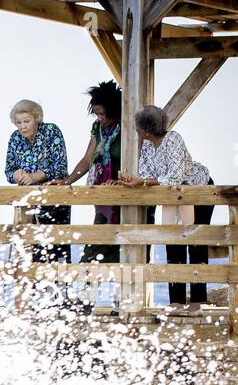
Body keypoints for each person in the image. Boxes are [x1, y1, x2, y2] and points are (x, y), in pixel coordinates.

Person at [117, 106, 214, 311]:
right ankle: (176, 302)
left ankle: (197, 303)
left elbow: (175, 176)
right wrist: (134, 180)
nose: (136, 130)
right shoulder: (148, 145)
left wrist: (143, 182)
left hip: (197, 191)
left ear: (145, 130)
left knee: (196, 245)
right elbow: (145, 174)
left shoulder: (173, 139)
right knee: (173, 244)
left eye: (137, 127)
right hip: (171, 196)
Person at [5, 100, 72, 311]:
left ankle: (61, 299)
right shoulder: (15, 138)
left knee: (56, 249)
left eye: (26, 121)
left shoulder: (51, 131)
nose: (22, 126)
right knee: (29, 251)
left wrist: (34, 176)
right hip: (27, 203)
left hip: (54, 199)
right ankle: (34, 301)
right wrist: (17, 174)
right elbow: (9, 169)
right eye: (18, 122)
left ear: (36, 118)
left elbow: (60, 167)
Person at [62, 81, 122, 266]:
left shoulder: (127, 128)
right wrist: (67, 181)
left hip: (126, 197)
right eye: (96, 113)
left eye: (102, 113)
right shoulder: (98, 128)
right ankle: (84, 294)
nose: (99, 117)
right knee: (92, 255)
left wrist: (120, 181)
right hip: (104, 200)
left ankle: (120, 296)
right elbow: (88, 159)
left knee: (125, 254)